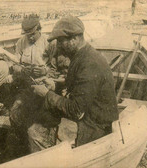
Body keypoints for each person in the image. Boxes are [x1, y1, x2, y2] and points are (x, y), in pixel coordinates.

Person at [31, 16, 119, 147]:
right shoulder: (82, 55)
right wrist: (54, 85)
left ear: (75, 39)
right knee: (37, 123)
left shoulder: (90, 63)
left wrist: (47, 95)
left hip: (95, 124)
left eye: (61, 41)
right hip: (86, 115)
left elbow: (76, 110)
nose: (58, 46)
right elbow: (77, 87)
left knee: (35, 134)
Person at [3, 14, 61, 161]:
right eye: (27, 35)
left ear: (39, 29)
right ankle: (23, 150)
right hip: (26, 86)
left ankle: (45, 153)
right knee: (15, 113)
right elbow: (14, 64)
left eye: (33, 34)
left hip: (45, 88)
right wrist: (21, 70)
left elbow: (58, 70)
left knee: (39, 124)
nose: (30, 38)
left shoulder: (50, 43)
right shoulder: (21, 42)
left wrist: (45, 71)